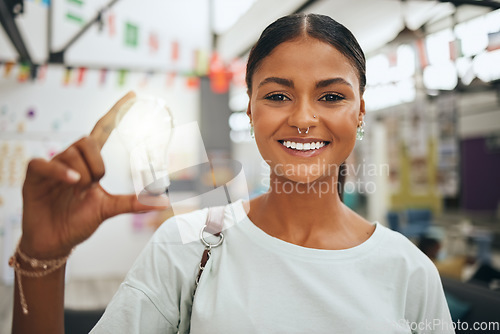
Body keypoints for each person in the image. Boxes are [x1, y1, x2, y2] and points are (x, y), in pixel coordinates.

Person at [10, 13, 454, 333]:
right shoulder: (187, 244)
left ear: (359, 112)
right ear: (251, 110)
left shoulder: (409, 272)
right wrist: (40, 260)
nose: (302, 118)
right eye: (278, 96)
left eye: (331, 97)